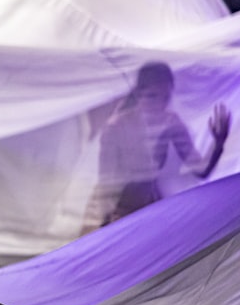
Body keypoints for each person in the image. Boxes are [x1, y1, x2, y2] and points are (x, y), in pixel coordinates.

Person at [84, 61, 231, 230]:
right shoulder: (116, 127)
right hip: (121, 209)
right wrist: (105, 222)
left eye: (165, 98)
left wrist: (218, 143)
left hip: (154, 207)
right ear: (139, 94)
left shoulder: (171, 122)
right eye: (153, 96)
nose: (160, 105)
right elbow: (106, 181)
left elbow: (201, 170)